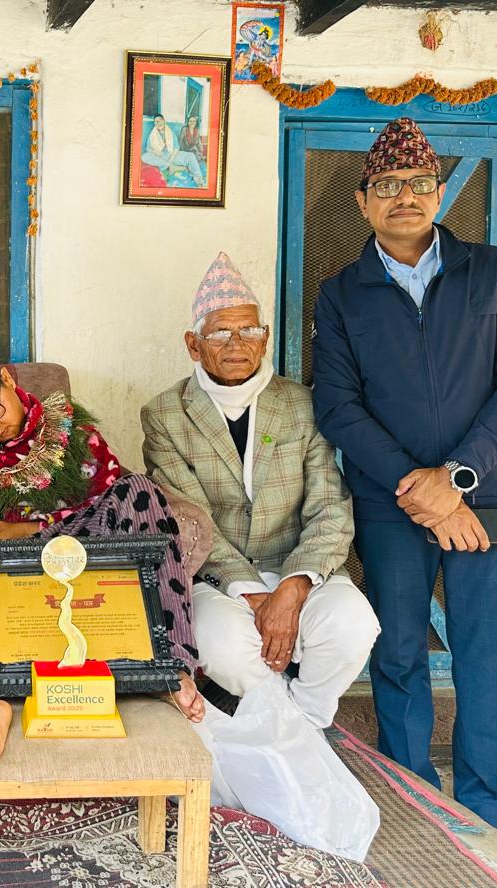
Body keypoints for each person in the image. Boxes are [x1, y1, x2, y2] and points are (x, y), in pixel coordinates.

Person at [313, 117, 497, 834]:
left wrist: (458, 478)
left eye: (418, 183)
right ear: (362, 201)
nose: (404, 197)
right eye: (387, 185)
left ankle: (489, 815)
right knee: (398, 654)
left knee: (486, 658)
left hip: (492, 494)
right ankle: (412, 797)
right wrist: (421, 489)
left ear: (441, 193)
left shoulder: (492, 272)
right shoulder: (342, 294)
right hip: (393, 506)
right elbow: (339, 407)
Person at [0, 346, 204, 772]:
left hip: (70, 561)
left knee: (139, 492)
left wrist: (37, 530)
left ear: (6, 379)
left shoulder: (72, 434)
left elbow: (106, 503)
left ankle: (167, 668)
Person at [142, 252, 378, 729]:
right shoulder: (165, 415)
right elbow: (191, 523)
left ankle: (302, 721)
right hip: (217, 577)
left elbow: (330, 508)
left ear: (265, 338)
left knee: (353, 625)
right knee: (223, 646)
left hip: (299, 567)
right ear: (193, 345)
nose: (237, 344)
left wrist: (293, 586)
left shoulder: (303, 404)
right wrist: (251, 593)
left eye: (249, 330)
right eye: (220, 333)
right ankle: (290, 728)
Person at [143, 114, 206, 188]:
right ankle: (173, 167)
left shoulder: (170, 132)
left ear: (164, 121)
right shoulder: (153, 134)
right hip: (159, 156)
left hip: (172, 154)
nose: (158, 123)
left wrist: (171, 159)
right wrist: (156, 152)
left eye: (160, 120)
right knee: (144, 156)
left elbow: (176, 147)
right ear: (154, 124)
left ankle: (199, 180)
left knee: (190, 156)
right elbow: (148, 148)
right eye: (156, 122)